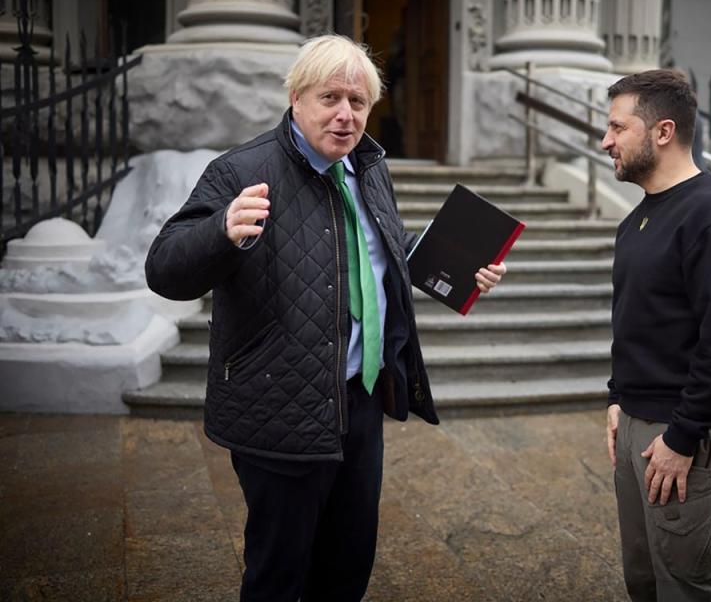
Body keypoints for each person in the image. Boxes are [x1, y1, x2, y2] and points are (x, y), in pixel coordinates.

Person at [144, 35, 505, 602]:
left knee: (347, 564)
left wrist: (460, 270)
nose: (345, 114)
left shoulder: (368, 166)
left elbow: (379, 246)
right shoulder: (240, 170)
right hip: (280, 408)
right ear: (296, 98)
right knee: (280, 573)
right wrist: (220, 232)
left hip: (361, 401)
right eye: (330, 97)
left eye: (357, 102)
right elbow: (164, 269)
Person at [602, 69, 711, 601]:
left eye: (617, 128)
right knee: (644, 580)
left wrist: (682, 436)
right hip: (635, 426)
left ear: (663, 132)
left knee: (690, 589)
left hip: (682, 438)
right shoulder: (638, 220)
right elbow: (637, 318)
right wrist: (618, 398)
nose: (606, 141)